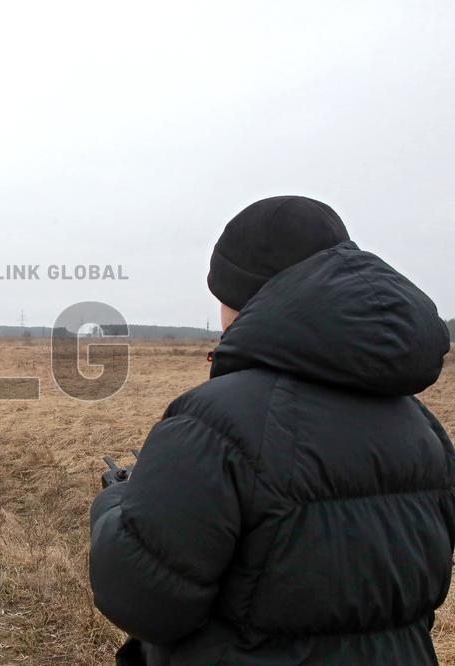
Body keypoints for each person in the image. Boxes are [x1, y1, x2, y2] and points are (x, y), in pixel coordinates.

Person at [89, 195, 454, 665]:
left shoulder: (214, 422)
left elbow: (145, 601)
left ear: (238, 297)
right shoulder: (421, 424)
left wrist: (115, 502)